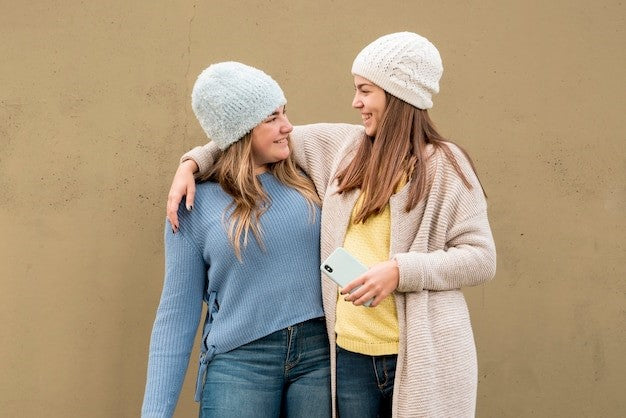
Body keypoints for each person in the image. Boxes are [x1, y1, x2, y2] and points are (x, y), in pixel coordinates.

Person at [167, 32, 497, 417]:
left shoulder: (445, 165)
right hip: (349, 359)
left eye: (365, 91)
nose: (355, 102)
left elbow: (480, 258)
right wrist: (190, 164)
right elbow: (246, 133)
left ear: (399, 95)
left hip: (419, 356)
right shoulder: (343, 147)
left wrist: (399, 271)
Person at [142, 62, 331, 418]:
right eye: (271, 118)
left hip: (319, 356)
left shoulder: (310, 175)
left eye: (285, 112)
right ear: (241, 130)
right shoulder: (192, 206)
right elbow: (176, 315)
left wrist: (191, 160)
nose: (287, 126)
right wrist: (155, 413)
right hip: (240, 362)